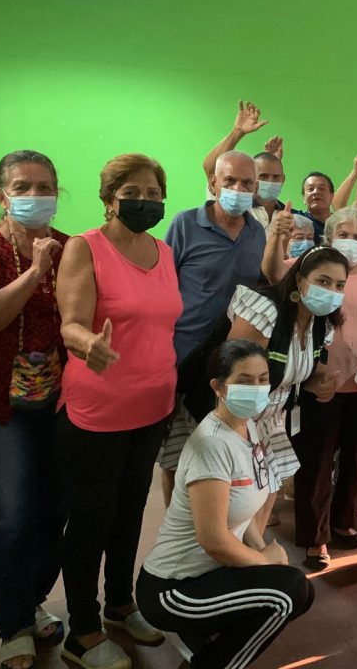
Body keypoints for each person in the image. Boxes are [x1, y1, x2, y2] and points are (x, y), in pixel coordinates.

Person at [55, 153, 182, 669]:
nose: (145, 201)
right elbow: (70, 323)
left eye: (154, 193)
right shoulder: (84, 247)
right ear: (109, 199)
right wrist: (89, 343)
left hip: (153, 406)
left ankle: (120, 605)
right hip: (98, 411)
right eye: (133, 193)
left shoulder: (163, 251)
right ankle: (82, 631)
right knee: (92, 518)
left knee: (130, 511)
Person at [0, 151, 69, 669]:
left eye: (46, 186)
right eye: (23, 187)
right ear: (2, 196)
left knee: (53, 510)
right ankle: (13, 624)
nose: (35, 195)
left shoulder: (71, 246)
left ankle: (33, 599)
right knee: (9, 515)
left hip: (58, 400)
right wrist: (36, 271)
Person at [137, 340, 313, 669]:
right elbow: (214, 539)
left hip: (212, 573)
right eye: (245, 381)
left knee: (294, 590)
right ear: (218, 387)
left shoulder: (250, 428)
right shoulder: (212, 444)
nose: (257, 388)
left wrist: (264, 555)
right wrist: (264, 562)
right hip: (173, 589)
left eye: (263, 379)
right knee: (288, 592)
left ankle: (203, 645)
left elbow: (243, 516)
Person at [158, 150, 267, 505]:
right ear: (213, 183)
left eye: (247, 183)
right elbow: (163, 286)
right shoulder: (185, 224)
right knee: (178, 454)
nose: (238, 189)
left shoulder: (258, 234)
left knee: (222, 450)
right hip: (184, 356)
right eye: (230, 181)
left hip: (231, 362)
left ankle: (214, 523)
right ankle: (178, 522)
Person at [293, 208, 357, 569]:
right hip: (321, 388)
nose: (351, 242)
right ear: (330, 237)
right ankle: (315, 537)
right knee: (317, 463)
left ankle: (343, 521)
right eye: (344, 234)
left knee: (356, 460)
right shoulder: (318, 274)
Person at [226, 247, 348, 534]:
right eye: (323, 281)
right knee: (238, 498)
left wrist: (323, 383)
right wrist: (240, 434)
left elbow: (304, 373)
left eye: (339, 285)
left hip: (274, 416)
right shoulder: (266, 310)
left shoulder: (321, 325)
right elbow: (231, 371)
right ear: (301, 280)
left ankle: (253, 549)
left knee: (269, 484)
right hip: (237, 416)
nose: (331, 291)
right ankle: (238, 551)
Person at [201, 100, 285, 229]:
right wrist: (238, 131)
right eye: (263, 176)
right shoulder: (235, 203)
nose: (269, 182)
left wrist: (272, 162)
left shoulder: (287, 215)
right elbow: (211, 167)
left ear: (283, 179)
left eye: (275, 177)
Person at [295, 172, 335, 240]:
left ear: (332, 196)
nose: (316, 192)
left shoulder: (340, 224)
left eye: (322, 188)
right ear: (303, 198)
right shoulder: (295, 220)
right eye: (310, 189)